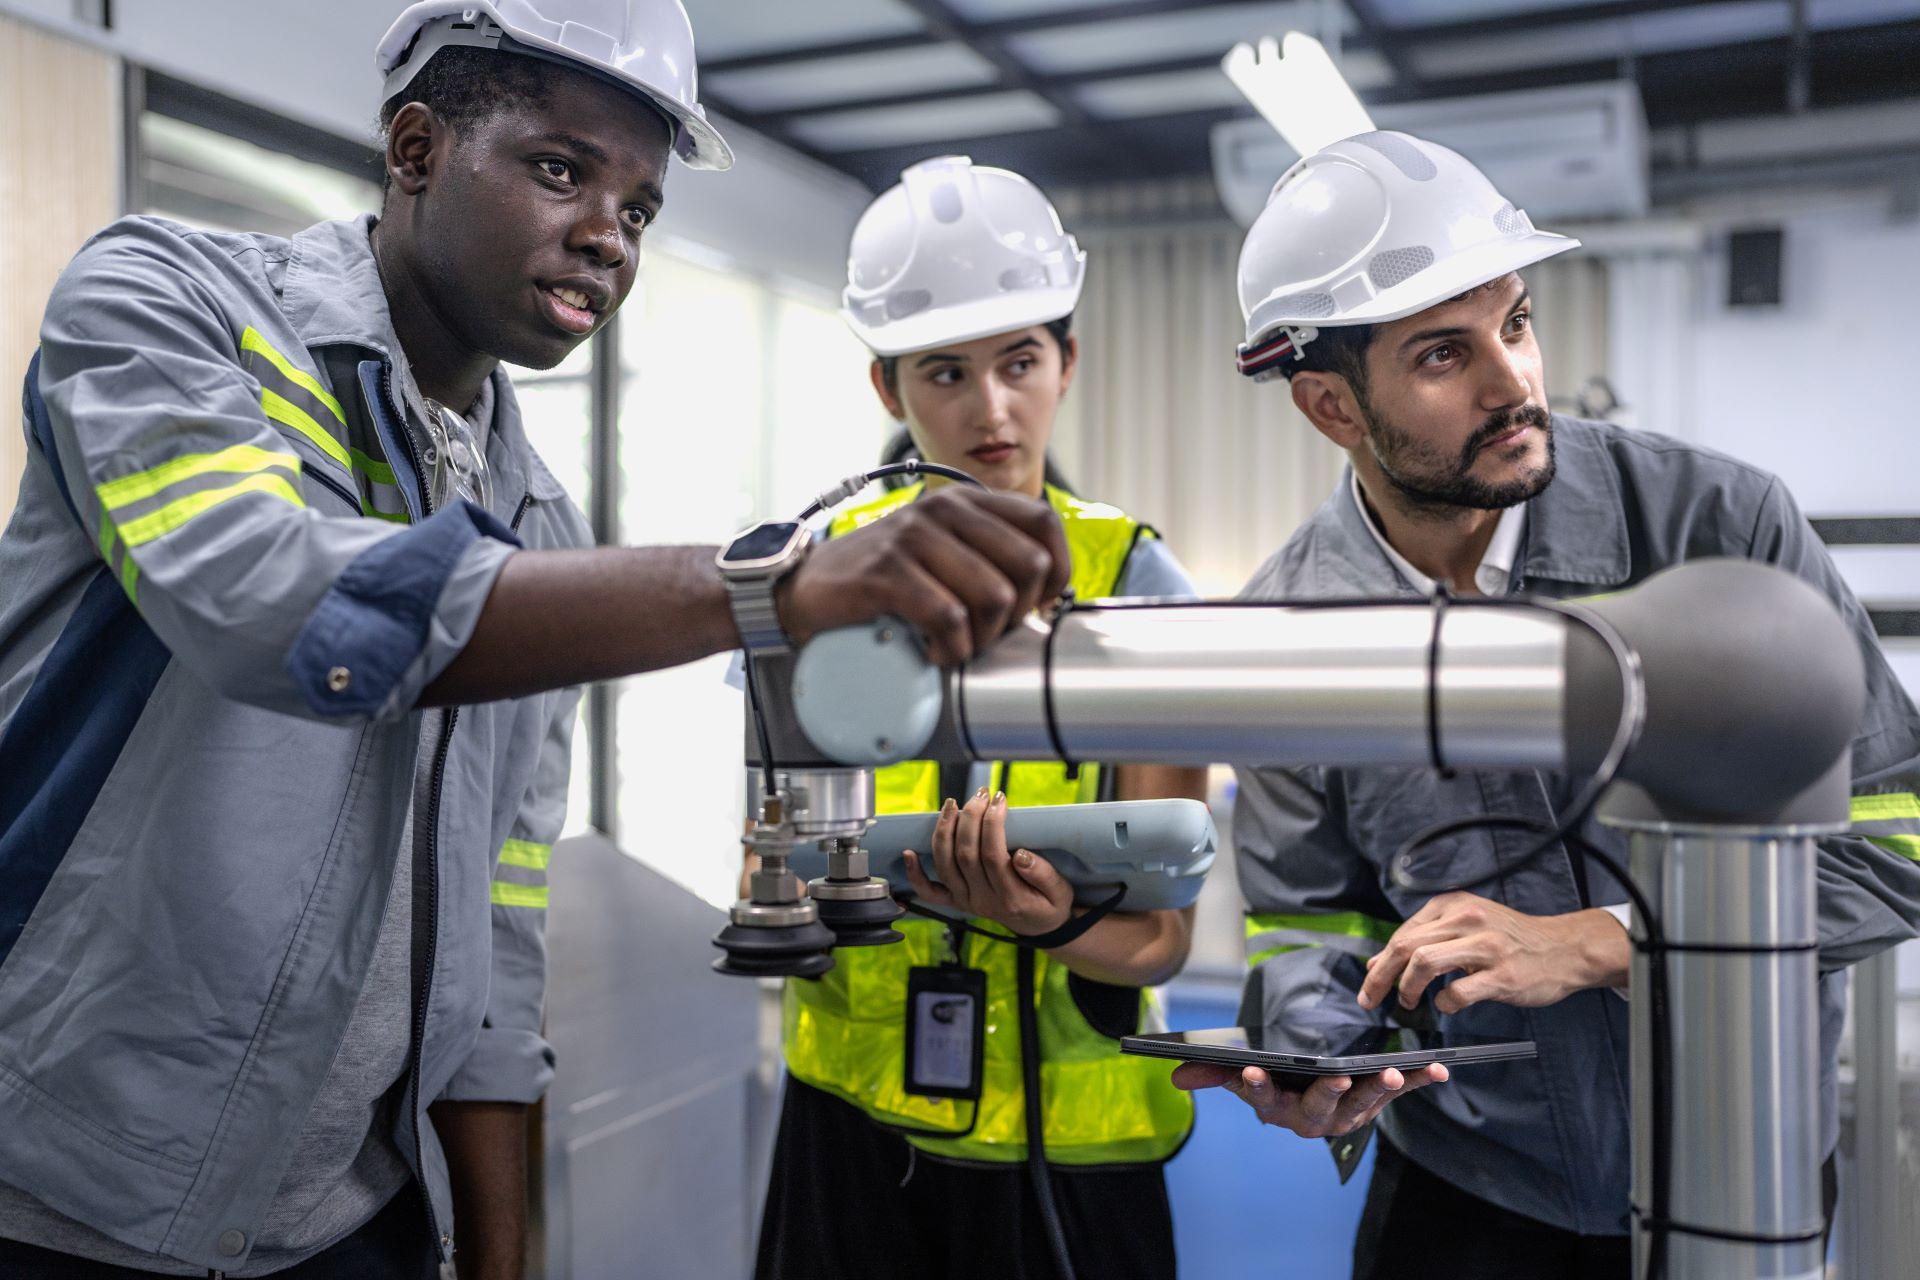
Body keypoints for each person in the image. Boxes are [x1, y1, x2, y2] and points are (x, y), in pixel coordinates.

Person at [0, 7, 1069, 1277]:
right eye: (562, 169)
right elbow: (276, 605)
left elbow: (500, 931)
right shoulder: (164, 301)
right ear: (415, 147)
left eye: (641, 208)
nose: (609, 236)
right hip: (62, 1194)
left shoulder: (538, 519)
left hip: (352, 1214)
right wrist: (776, 585)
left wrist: (494, 1251)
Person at [1172, 131, 1920, 1278]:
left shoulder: (1719, 528)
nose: (1513, 380)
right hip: (1469, 1194)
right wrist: (1321, 1052)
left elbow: (1899, 835)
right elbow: (1309, 920)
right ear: (1329, 403)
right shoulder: (1287, 631)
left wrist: (1605, 941)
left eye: (1515, 323)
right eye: (1441, 354)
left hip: (1739, 1175)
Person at [750, 156, 1210, 1280]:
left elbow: (1165, 936)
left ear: (1069, 361)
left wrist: (1041, 920)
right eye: (946, 371)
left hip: (1072, 1150)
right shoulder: (811, 582)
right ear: (888, 389)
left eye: (1020, 361)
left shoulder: (1140, 586)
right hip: (851, 1128)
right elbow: (774, 863)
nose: (991, 408)